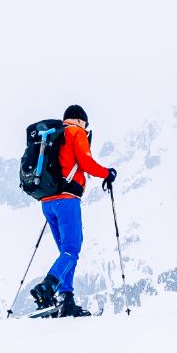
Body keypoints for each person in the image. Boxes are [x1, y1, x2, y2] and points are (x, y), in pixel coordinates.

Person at [27, 105, 114, 318]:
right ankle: (47, 288)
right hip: (67, 200)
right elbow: (86, 162)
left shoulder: (52, 136)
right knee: (72, 250)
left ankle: (67, 300)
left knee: (66, 252)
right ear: (81, 121)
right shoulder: (76, 132)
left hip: (47, 202)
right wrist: (107, 173)